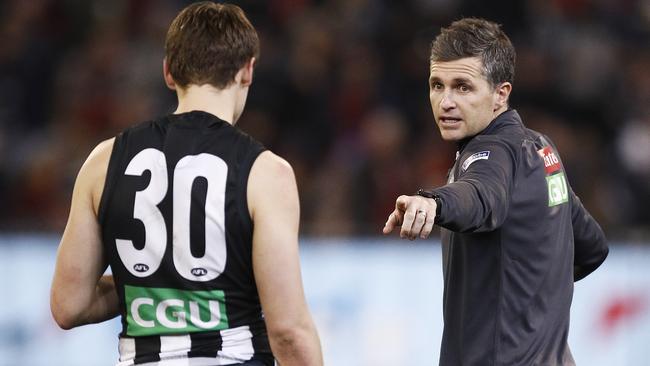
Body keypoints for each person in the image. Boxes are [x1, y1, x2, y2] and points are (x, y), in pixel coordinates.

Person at [50, 2, 323, 366]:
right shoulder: (265, 172)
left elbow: (69, 304)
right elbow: (288, 330)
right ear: (247, 71)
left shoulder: (103, 161)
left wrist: (160, 286)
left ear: (168, 72)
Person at [383, 18, 609, 365]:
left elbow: (480, 196)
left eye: (462, 87)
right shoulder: (540, 150)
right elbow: (592, 246)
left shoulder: (491, 152)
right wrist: (530, 302)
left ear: (500, 93)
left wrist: (434, 202)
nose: (445, 102)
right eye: (437, 85)